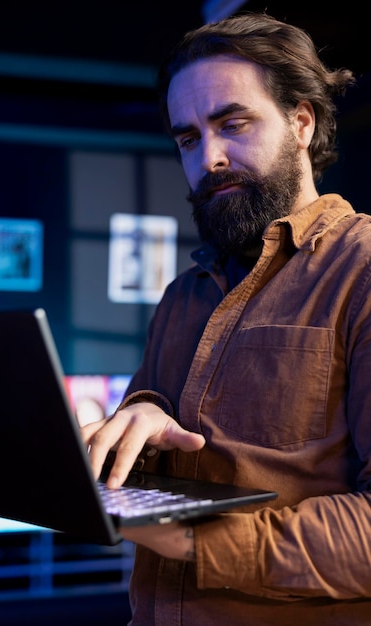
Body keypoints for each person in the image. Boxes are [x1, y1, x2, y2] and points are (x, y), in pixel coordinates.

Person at [81, 12, 371, 625]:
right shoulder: (183, 294)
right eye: (187, 138)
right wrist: (146, 410)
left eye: (231, 123)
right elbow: (152, 448)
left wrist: (194, 543)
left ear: (300, 122)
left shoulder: (363, 269)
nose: (208, 157)